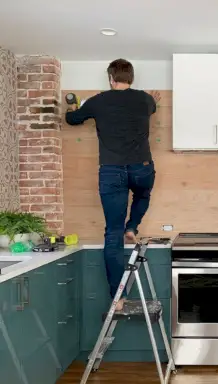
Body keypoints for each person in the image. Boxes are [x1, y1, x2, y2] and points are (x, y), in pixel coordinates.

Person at [66, 58, 160, 310]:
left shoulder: (98, 101)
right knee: (143, 195)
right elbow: (153, 106)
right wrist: (153, 100)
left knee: (112, 235)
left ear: (110, 78)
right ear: (131, 78)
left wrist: (74, 106)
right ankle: (133, 226)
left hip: (112, 171)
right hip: (141, 167)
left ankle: (118, 298)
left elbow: (72, 119)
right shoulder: (145, 99)